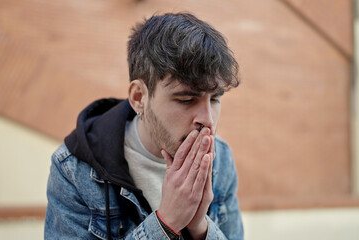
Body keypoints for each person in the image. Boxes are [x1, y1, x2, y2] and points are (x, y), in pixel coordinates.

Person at [45, 12, 244, 240]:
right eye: (186, 100)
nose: (207, 120)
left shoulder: (222, 159)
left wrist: (200, 226)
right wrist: (166, 223)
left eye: (215, 99)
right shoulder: (74, 171)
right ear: (139, 97)